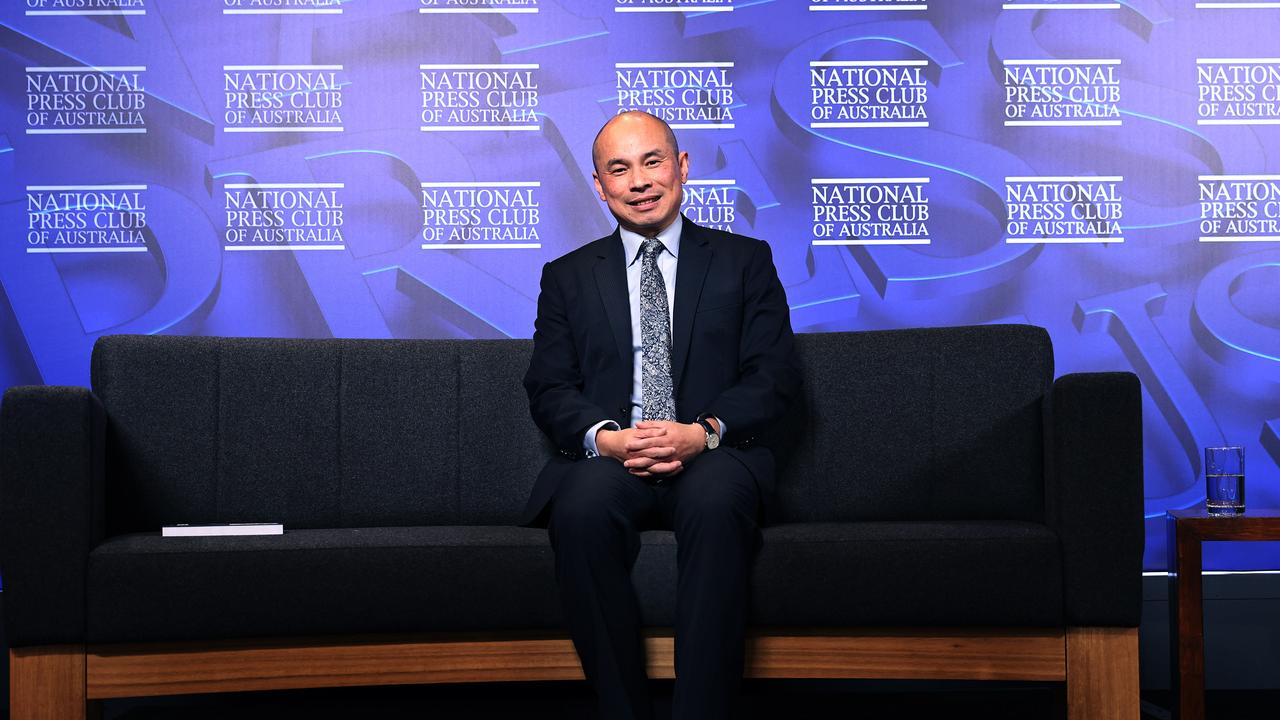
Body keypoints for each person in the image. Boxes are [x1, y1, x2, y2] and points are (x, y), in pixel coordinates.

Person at [522, 110, 800, 720]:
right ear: (599, 186)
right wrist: (608, 439)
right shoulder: (566, 277)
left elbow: (773, 375)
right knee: (582, 508)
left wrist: (702, 433)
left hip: (712, 452)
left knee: (715, 502)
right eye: (619, 169)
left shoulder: (744, 260)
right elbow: (549, 385)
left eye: (652, 162)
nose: (639, 180)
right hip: (615, 457)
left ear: (681, 168)